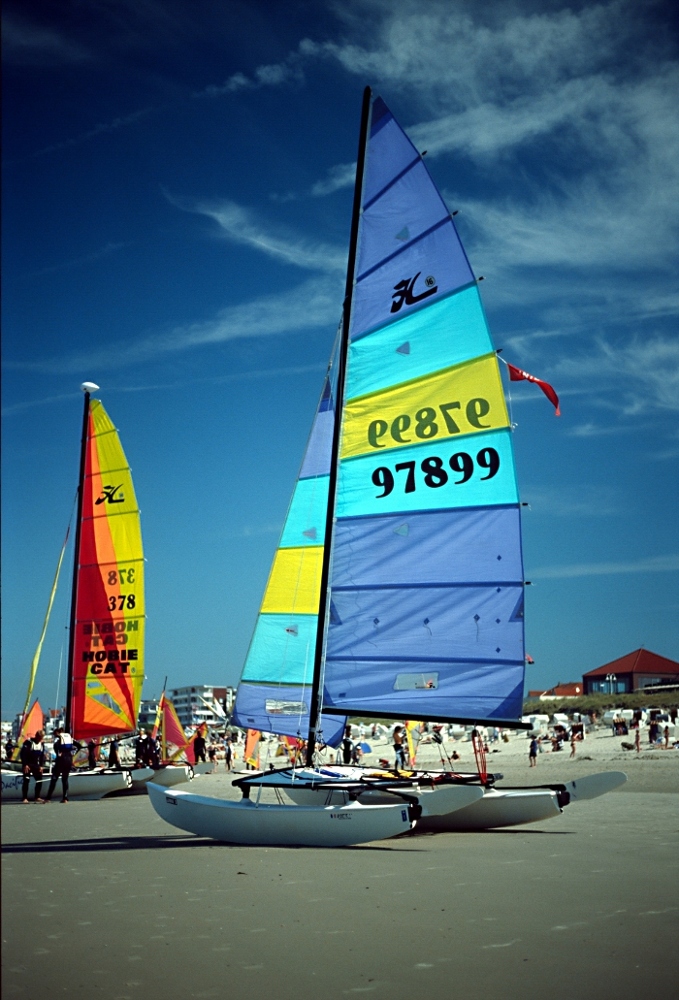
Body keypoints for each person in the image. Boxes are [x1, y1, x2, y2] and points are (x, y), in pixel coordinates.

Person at [44, 727, 76, 803]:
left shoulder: (58, 741)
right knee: (65, 779)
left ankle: (48, 798)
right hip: (68, 760)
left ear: (58, 733)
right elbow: (79, 746)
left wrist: (59, 753)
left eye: (55, 734)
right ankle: (65, 798)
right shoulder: (70, 739)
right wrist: (73, 754)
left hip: (60, 761)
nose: (55, 736)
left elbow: (56, 749)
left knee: (54, 778)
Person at [20, 730, 46, 802]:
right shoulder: (28, 743)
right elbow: (23, 755)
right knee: (26, 780)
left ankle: (37, 797)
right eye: (39, 737)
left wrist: (41, 766)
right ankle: (24, 798)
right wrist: (25, 765)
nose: (40, 739)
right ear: (36, 736)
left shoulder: (41, 744)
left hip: (35, 764)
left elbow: (41, 757)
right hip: (27, 764)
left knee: (39, 780)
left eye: (41, 738)